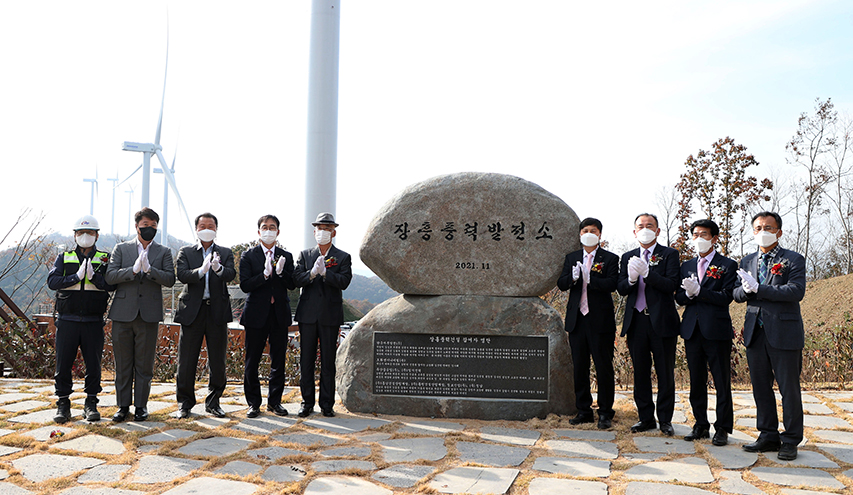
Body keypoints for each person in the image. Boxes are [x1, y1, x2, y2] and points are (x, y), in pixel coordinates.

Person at [734, 211, 806, 461]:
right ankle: (767, 434)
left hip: (784, 331)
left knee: (789, 389)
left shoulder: (793, 259)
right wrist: (744, 291)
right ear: (753, 231)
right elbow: (737, 294)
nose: (762, 231)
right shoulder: (746, 261)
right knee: (761, 387)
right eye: (758, 228)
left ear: (779, 231)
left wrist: (760, 288)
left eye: (768, 227)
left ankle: (791, 439)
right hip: (755, 331)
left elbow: (796, 291)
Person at [105, 207, 175, 422]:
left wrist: (150, 271)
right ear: (136, 226)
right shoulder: (121, 249)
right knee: (123, 363)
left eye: (153, 226)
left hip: (149, 314)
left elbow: (170, 279)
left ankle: (141, 406)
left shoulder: (163, 251)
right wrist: (133, 270)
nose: (149, 229)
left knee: (144, 364)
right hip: (122, 313)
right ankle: (122, 406)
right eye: (145, 226)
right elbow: (110, 277)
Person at [47, 215, 116, 423]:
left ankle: (91, 403)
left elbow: (113, 284)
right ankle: (63, 404)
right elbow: (52, 281)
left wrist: (95, 278)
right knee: (63, 363)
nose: (85, 236)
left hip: (93, 320)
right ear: (75, 235)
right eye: (81, 233)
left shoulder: (105, 258)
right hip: (67, 319)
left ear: (97, 235)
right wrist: (74, 278)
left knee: (94, 364)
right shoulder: (64, 256)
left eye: (90, 233)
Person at [675, 219, 738, 446]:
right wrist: (689, 295)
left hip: (716, 329)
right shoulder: (687, 265)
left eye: (704, 234)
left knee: (721, 381)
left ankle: (722, 427)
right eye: (695, 234)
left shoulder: (727, 265)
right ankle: (700, 424)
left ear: (714, 238)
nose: (699, 238)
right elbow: (678, 297)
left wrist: (700, 292)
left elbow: (726, 297)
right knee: (696, 380)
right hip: (692, 329)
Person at [617, 213, 680, 436]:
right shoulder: (627, 257)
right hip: (636, 322)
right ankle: (645, 418)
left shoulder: (669, 254)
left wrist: (648, 274)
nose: (645, 229)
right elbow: (621, 288)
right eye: (640, 226)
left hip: (662, 322)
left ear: (657, 231)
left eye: (649, 225)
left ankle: (665, 419)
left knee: (665, 372)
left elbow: (671, 284)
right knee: (640, 372)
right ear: (634, 232)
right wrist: (632, 279)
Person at [557, 217, 619, 429]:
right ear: (580, 234)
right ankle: (583, 410)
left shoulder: (610, 258)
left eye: (593, 230)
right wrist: (573, 278)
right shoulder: (572, 257)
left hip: (600, 321)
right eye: (585, 230)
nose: (589, 233)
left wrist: (591, 279)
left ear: (599, 234)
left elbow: (613, 284)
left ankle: (605, 412)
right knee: (580, 367)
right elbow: (561, 284)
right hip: (577, 321)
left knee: (603, 367)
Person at [173, 213, 236, 419]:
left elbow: (231, 274)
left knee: (217, 360)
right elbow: (181, 274)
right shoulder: (186, 252)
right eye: (203, 225)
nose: (207, 228)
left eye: (210, 225)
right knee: (187, 359)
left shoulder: (225, 252)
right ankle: (184, 403)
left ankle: (214, 401)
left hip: (216, 311)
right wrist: (200, 271)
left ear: (216, 229)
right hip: (193, 311)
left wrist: (218, 269)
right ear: (196, 229)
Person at [294, 212, 352, 418]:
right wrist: (311, 274)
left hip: (330, 314)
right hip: (307, 314)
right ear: (314, 231)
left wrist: (327, 274)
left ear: (333, 232)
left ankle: (327, 404)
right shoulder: (304, 255)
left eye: (327, 229)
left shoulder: (343, 257)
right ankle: (306, 402)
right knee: (306, 360)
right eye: (320, 228)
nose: (323, 232)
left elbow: (344, 281)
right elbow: (296, 279)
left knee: (328, 361)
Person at [239, 214, 295, 418]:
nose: (269, 230)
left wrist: (280, 273)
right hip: (255, 314)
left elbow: (292, 284)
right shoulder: (249, 255)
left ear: (278, 232)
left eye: (272, 227)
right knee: (252, 360)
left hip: (279, 314)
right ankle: (253, 403)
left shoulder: (286, 256)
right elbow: (245, 284)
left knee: (278, 360)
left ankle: (275, 402)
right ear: (259, 231)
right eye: (265, 227)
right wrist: (263, 275)